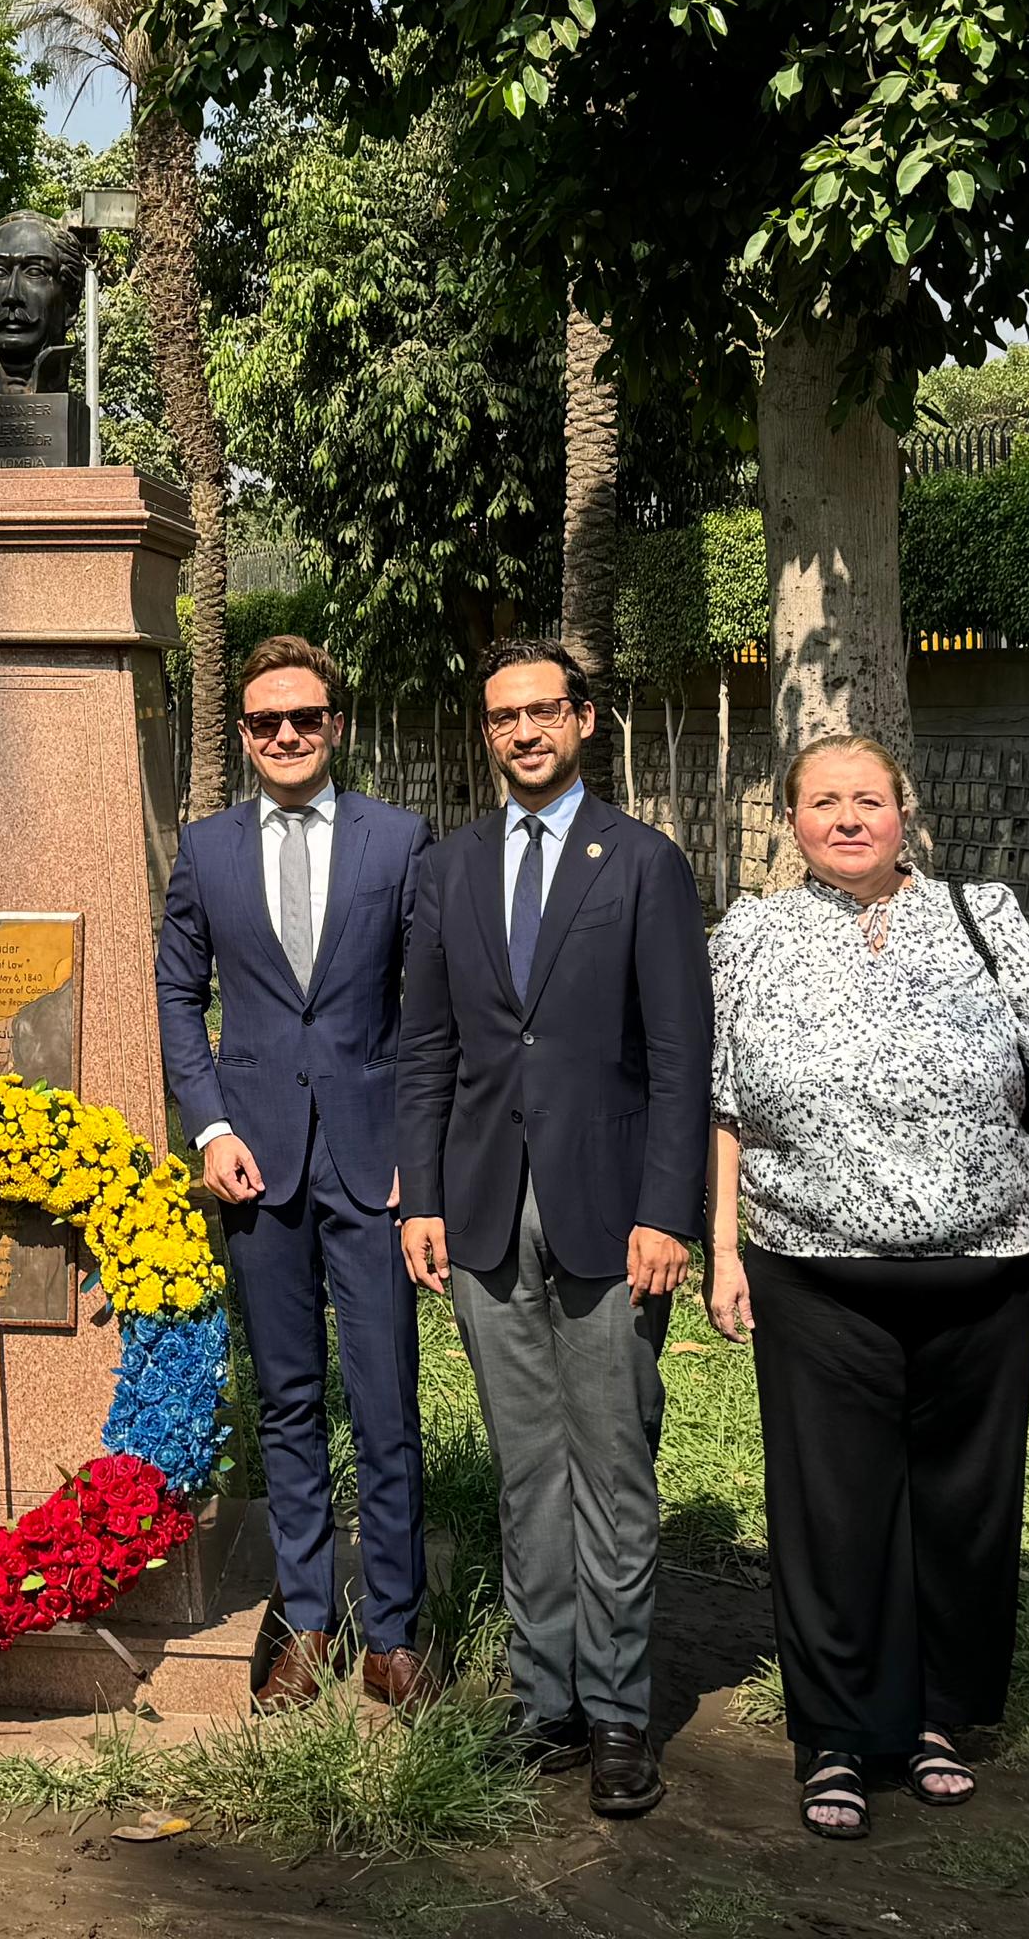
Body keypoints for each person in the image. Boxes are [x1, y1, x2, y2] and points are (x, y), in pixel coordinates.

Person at [704, 734, 1029, 1840]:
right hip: (810, 1266)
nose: (847, 819)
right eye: (822, 802)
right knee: (829, 1508)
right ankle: (835, 1734)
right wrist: (719, 1246)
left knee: (961, 1506)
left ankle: (942, 1714)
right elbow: (719, 1105)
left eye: (868, 800)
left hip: (981, 1266)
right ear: (788, 823)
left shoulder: (980, 913)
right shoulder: (749, 934)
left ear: (905, 812)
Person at [396, 637, 710, 1819]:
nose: (522, 732)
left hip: (606, 1207)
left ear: (583, 721)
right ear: (485, 734)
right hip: (477, 1208)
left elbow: (680, 1058)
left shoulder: (641, 863)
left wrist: (664, 1211)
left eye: (542, 711)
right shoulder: (451, 869)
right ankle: (546, 1701)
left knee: (612, 1461)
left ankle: (622, 1710)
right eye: (500, 718)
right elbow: (423, 1045)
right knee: (526, 1464)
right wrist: (417, 1195)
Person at [156, 633, 433, 1708]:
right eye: (265, 722)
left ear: (334, 726)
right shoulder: (207, 848)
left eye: (303, 720)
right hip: (255, 1166)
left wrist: (421, 1142)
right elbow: (178, 993)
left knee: (386, 1401)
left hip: (374, 1169)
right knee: (285, 1399)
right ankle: (308, 1621)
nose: (283, 736)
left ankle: (395, 1632)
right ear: (241, 735)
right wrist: (210, 1126)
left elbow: (430, 1007)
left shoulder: (396, 840)